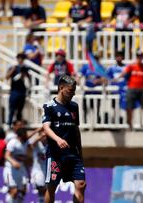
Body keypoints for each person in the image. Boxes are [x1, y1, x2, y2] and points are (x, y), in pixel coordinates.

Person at [42, 75, 86, 203]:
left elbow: (76, 130)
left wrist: (81, 152)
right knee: (51, 187)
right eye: (70, 90)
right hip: (55, 155)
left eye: (74, 90)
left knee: (81, 184)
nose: (72, 93)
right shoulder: (49, 106)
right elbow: (46, 128)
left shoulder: (74, 107)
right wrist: (58, 139)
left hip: (73, 154)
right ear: (61, 88)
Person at [4, 128, 30, 203]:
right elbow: (6, 155)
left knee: (23, 190)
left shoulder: (25, 143)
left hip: (21, 169)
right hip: (11, 169)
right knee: (14, 191)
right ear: (19, 136)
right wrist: (13, 162)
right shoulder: (13, 142)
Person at [6, 53, 31, 126]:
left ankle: (18, 126)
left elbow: (29, 80)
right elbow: (7, 77)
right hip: (14, 91)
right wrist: (13, 70)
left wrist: (25, 75)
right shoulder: (13, 67)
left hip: (22, 91)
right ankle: (9, 124)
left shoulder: (26, 68)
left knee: (20, 110)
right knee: (12, 109)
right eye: (19, 58)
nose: (20, 60)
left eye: (22, 58)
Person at [29, 130, 47, 203]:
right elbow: (31, 143)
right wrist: (40, 136)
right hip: (37, 171)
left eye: (45, 135)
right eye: (42, 136)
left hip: (46, 170)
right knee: (41, 188)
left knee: (46, 190)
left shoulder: (50, 145)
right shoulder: (37, 144)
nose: (44, 137)